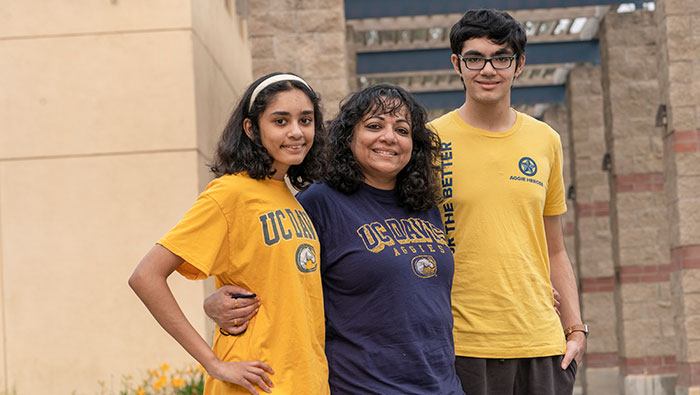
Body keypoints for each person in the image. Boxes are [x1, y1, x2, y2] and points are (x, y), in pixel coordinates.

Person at [206, 84, 465, 394]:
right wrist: (221, 304)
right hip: (362, 386)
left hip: (443, 385)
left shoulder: (425, 205)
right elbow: (279, 276)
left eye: (402, 129)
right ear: (348, 137)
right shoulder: (319, 202)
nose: (389, 137)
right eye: (373, 126)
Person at [128, 72, 330, 395]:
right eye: (280, 121)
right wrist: (213, 363)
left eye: (305, 120)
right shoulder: (228, 194)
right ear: (251, 128)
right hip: (255, 384)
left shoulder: (292, 200)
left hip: (306, 383)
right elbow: (145, 276)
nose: (296, 131)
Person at [427, 8, 587, 394]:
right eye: (475, 58)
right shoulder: (428, 141)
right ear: (457, 64)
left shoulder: (545, 139)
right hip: (462, 344)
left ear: (519, 65)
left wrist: (576, 329)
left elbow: (555, 249)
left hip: (542, 344)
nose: (488, 69)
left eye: (501, 58)